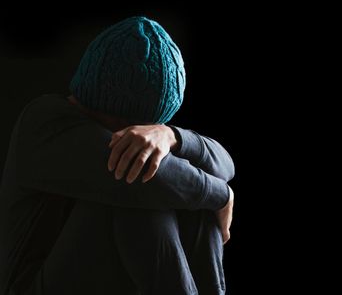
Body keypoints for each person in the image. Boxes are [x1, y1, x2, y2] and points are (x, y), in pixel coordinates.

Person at [0, 16, 235, 295]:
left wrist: (173, 136)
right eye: (131, 129)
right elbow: (152, 181)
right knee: (137, 182)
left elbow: (226, 165)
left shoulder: (147, 134)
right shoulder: (42, 122)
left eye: (146, 130)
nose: (137, 139)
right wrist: (223, 195)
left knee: (178, 189)